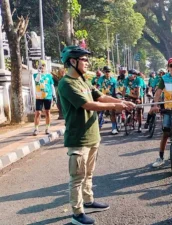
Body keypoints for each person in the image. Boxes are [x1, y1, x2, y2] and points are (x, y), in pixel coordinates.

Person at [58, 46, 135, 225]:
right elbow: (88, 105)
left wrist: (121, 101)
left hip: (93, 135)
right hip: (78, 138)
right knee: (77, 176)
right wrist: (116, 107)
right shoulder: (66, 83)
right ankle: (77, 213)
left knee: (89, 173)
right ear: (72, 61)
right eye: (84, 59)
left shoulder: (84, 80)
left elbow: (100, 97)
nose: (87, 63)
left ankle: (88, 200)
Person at [33, 60, 56, 136]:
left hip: (48, 96)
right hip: (39, 96)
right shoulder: (35, 75)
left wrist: (54, 95)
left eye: (43, 65)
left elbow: (52, 86)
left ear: (45, 67)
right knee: (38, 113)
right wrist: (39, 73)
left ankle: (47, 128)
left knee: (47, 112)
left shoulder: (49, 76)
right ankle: (36, 129)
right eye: (40, 66)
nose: (42, 67)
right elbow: (37, 80)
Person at [97, 66, 118, 134]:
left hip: (110, 97)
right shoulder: (101, 79)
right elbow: (98, 87)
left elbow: (115, 91)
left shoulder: (114, 80)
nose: (107, 73)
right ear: (103, 72)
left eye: (108, 71)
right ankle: (98, 128)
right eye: (106, 71)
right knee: (100, 113)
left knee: (112, 113)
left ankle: (114, 128)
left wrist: (115, 99)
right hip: (102, 98)